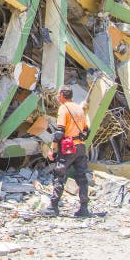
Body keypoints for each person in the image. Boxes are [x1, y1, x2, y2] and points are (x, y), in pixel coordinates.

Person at [41, 86, 90, 217]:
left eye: (59, 95)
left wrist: (52, 148)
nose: (57, 97)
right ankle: (84, 208)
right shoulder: (79, 108)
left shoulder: (64, 108)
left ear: (63, 95)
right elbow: (87, 130)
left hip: (68, 148)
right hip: (80, 147)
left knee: (59, 175)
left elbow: (59, 132)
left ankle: (54, 207)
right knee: (82, 178)